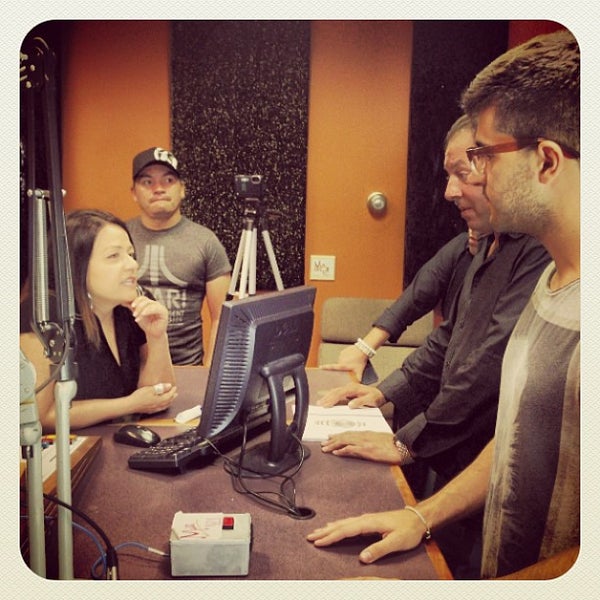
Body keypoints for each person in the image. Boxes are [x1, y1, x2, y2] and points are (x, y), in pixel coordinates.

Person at [307, 29, 580, 580]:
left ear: (547, 162)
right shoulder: (551, 279)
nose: (464, 183)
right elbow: (516, 436)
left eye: (482, 157)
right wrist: (421, 515)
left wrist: (410, 445)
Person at [316, 121, 550, 486]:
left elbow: (490, 361)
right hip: (455, 459)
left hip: (487, 472)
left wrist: (408, 443)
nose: (449, 192)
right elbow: (449, 337)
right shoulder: (487, 244)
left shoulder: (538, 249)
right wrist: (384, 391)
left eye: (463, 173)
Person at [321, 115, 492, 383]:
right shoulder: (466, 245)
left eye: (462, 174)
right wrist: (364, 350)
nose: (449, 192)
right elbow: (420, 293)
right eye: (449, 176)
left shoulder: (528, 255)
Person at [20, 209, 178, 431]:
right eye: (114, 256)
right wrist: (128, 405)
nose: (132, 265)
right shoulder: (44, 313)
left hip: (118, 439)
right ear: (76, 265)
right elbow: (39, 415)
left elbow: (158, 395)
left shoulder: (135, 304)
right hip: (72, 447)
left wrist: (157, 336)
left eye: (131, 254)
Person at [127, 147, 232, 366]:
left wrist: (209, 374)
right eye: (147, 182)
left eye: (168, 180)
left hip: (186, 368)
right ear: (134, 193)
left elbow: (222, 319)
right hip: (130, 369)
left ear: (182, 189)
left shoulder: (205, 241)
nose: (158, 189)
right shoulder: (119, 237)